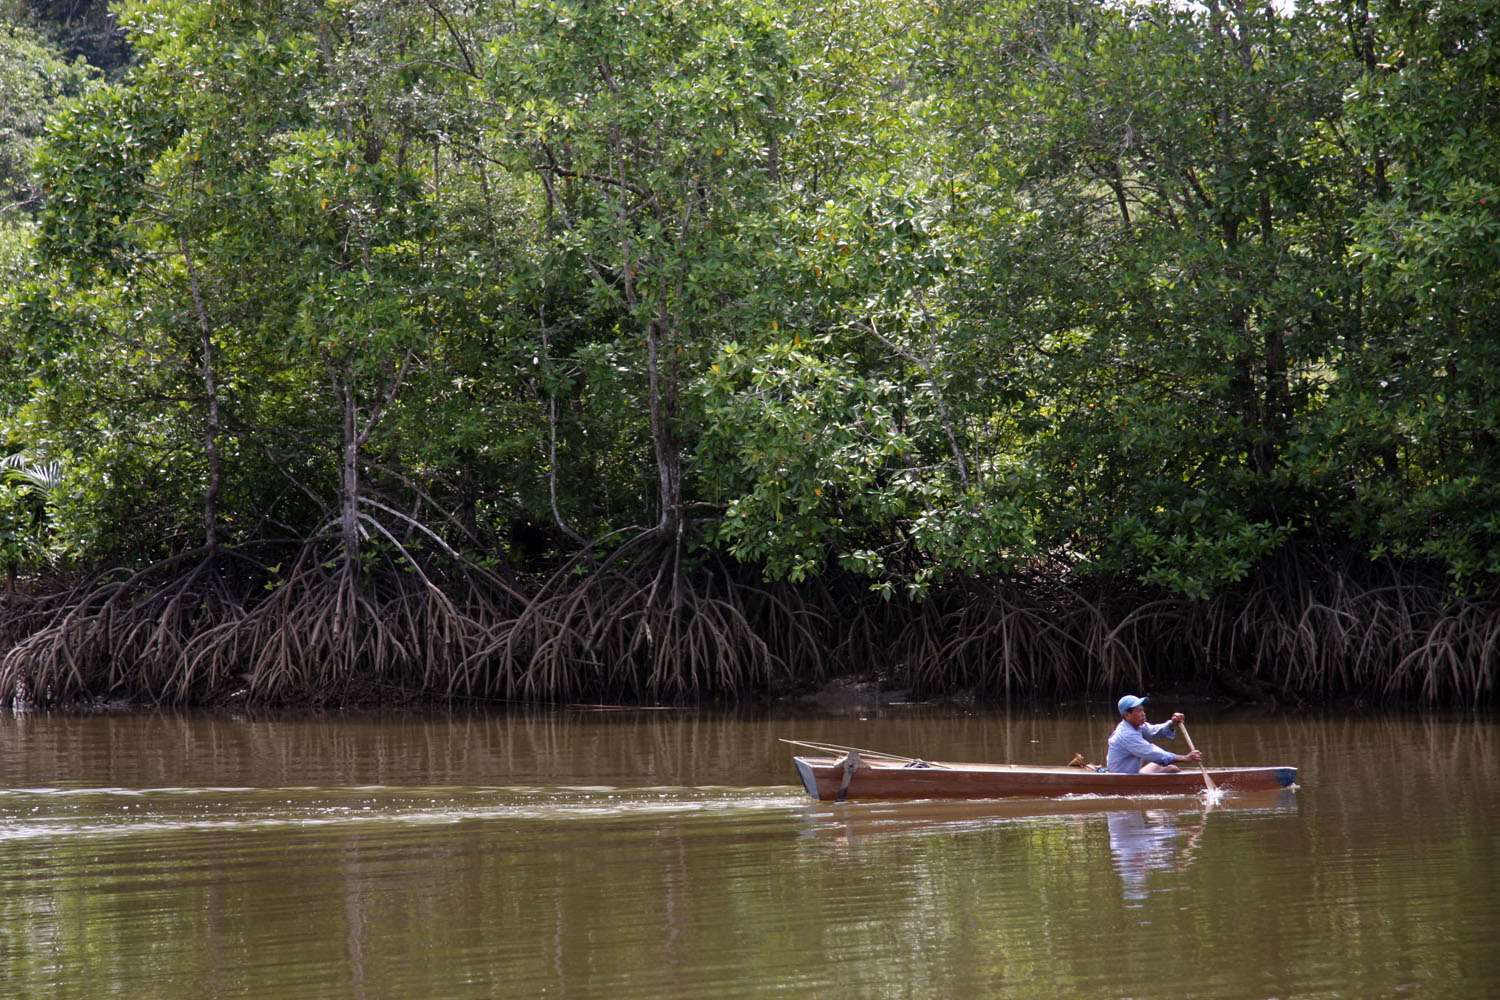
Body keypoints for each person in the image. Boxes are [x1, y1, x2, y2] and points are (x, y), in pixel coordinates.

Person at [1106, 694, 1202, 774]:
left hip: (1132, 775)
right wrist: (1185, 758)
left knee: (1166, 766)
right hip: (1121, 779)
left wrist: (1173, 723)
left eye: (1143, 710)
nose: (1143, 714)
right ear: (1127, 715)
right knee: (1172, 769)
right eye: (1139, 711)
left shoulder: (1138, 726)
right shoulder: (1126, 734)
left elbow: (1155, 731)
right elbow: (1152, 752)